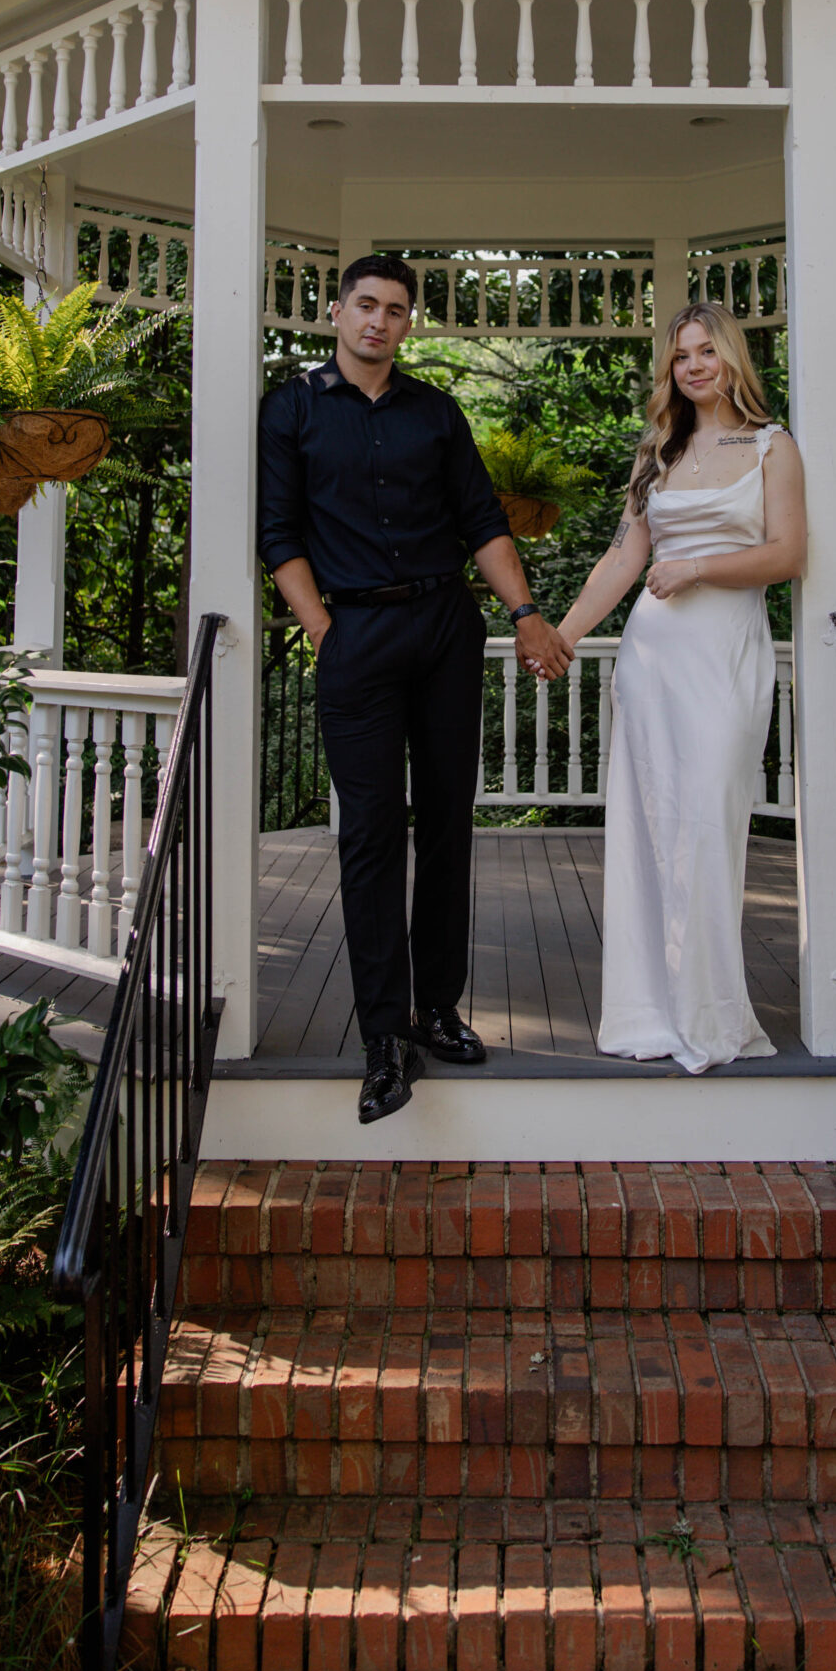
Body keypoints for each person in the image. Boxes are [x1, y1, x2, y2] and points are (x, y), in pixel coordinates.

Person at [258, 255, 571, 1124]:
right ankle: (383, 1038)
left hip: (443, 628)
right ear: (337, 310)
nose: (379, 322)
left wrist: (527, 613)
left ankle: (437, 1009)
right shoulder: (290, 408)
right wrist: (324, 629)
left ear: (407, 323)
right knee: (367, 836)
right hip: (352, 631)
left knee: (445, 823)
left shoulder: (436, 412)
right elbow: (277, 531)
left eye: (396, 311)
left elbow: (482, 519)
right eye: (366, 305)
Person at [546, 303, 806, 1072]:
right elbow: (622, 561)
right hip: (651, 660)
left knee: (704, 825)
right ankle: (647, 1016)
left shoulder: (771, 447)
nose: (693, 366)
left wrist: (696, 567)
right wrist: (561, 635)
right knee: (647, 829)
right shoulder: (657, 451)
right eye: (680, 356)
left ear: (732, 360)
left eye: (706, 352)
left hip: (723, 654)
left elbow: (787, 554)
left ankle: (711, 1017)